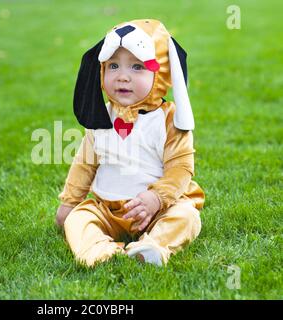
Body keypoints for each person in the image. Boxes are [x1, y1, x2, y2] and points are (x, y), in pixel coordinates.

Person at [56, 19, 205, 267]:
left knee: (186, 216)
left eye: (137, 67)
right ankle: (99, 250)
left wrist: (157, 198)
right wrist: (70, 202)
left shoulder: (169, 120)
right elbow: (85, 163)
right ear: (101, 70)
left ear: (161, 74)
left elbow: (181, 169)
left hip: (157, 210)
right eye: (113, 66)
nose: (122, 77)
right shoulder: (101, 116)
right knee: (78, 219)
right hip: (109, 210)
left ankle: (154, 245)